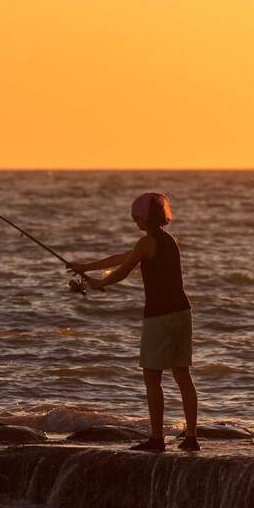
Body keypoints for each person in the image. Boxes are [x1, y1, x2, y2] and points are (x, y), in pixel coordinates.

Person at [69, 192, 198, 452]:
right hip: (182, 313)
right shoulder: (166, 240)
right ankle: (192, 437)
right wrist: (86, 266)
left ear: (145, 217)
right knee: (183, 376)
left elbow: (124, 270)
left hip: (159, 316)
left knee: (152, 378)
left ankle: (156, 438)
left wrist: (99, 283)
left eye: (135, 216)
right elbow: (125, 257)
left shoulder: (146, 242)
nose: (133, 221)